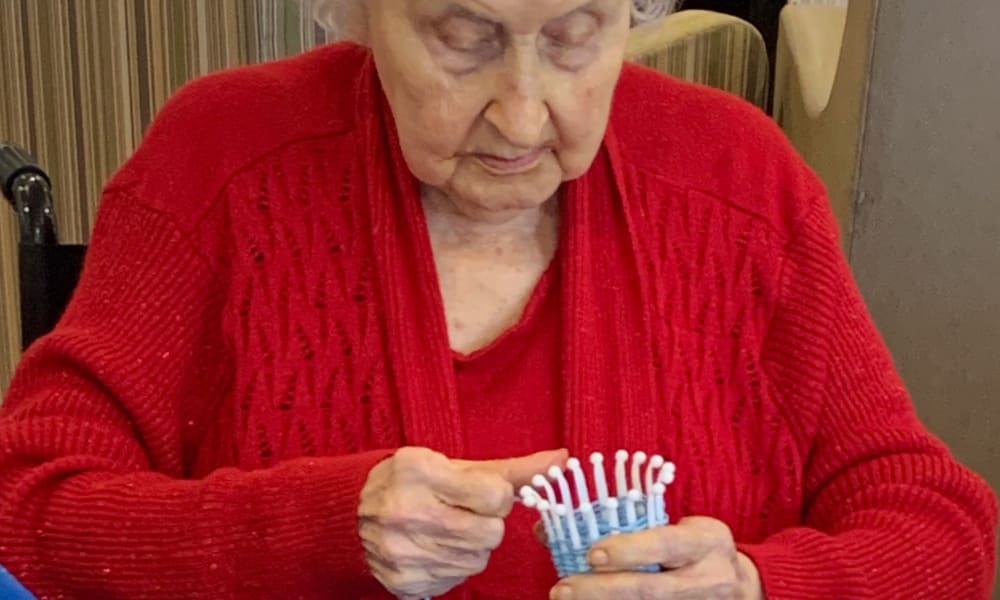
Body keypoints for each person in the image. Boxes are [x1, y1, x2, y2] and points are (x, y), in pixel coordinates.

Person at [0, 0, 995, 598]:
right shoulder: (217, 162)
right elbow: (25, 507)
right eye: (462, 36)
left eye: (575, 35)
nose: (524, 113)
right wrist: (313, 530)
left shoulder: (740, 181)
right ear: (361, 14)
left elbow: (940, 527)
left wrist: (756, 585)